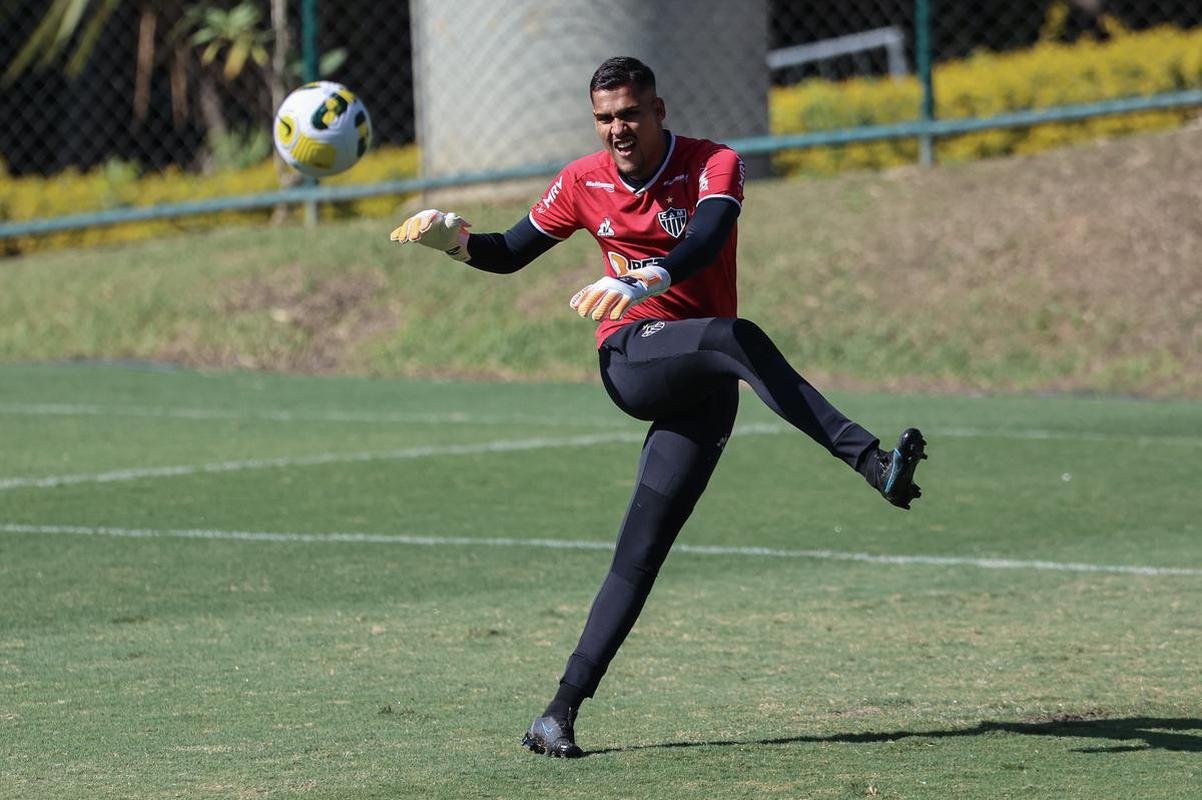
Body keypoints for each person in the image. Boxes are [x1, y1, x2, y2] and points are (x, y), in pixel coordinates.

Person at [390, 56, 927, 758]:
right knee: (737, 338)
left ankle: (557, 714)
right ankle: (871, 460)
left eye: (630, 114)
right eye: (605, 118)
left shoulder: (714, 164)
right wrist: (454, 244)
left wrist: (652, 274)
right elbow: (509, 252)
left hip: (705, 378)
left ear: (659, 110)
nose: (618, 129)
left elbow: (705, 240)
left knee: (639, 555)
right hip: (632, 358)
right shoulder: (580, 181)